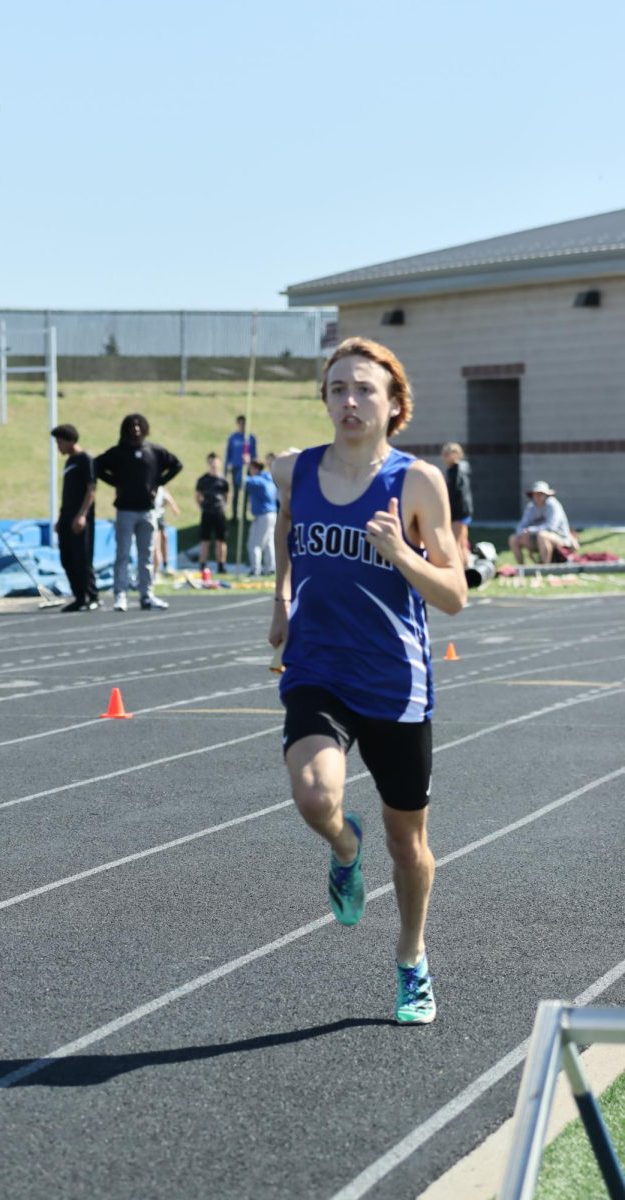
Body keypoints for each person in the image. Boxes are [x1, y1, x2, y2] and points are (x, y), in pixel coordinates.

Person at [269, 336, 466, 1025]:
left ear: (393, 404)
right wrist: (279, 603)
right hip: (317, 668)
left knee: (408, 844)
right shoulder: (293, 469)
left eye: (365, 391)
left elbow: (454, 595)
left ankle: (411, 960)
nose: (349, 401)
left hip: (395, 682)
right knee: (314, 794)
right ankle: (342, 848)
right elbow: (288, 529)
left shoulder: (416, 483)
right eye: (337, 389)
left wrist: (401, 555)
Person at [95, 413, 182, 612]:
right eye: (131, 426)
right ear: (125, 430)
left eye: (138, 425)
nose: (135, 429)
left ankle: (147, 595)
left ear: (144, 428)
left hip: (147, 510)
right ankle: (120, 595)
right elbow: (97, 466)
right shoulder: (119, 452)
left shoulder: (154, 451)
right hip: (125, 510)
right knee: (123, 554)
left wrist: (158, 483)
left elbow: (176, 465)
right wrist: (115, 482)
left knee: (147, 555)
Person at [51, 423, 100, 613]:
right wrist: (61, 518)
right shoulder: (69, 461)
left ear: (71, 441)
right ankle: (79, 597)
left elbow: (91, 489)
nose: (58, 446)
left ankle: (92, 595)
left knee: (83, 558)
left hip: (80, 519)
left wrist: (82, 515)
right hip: (66, 518)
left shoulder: (85, 459)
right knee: (67, 558)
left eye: (60, 442)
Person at [508, 481, 575, 565]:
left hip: (560, 539)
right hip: (537, 538)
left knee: (542, 535)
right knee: (513, 539)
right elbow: (522, 525)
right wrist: (522, 533)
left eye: (540, 493)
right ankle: (522, 569)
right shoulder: (531, 507)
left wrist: (530, 530)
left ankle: (544, 568)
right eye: (535, 494)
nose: (537, 496)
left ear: (546, 494)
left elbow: (551, 527)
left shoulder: (553, 505)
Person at [195, 453, 229, 575]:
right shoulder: (203, 480)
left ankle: (221, 565)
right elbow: (198, 496)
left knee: (221, 540)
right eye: (211, 462)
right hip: (207, 512)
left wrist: (224, 507)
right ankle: (203, 564)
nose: (213, 464)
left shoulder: (223, 480)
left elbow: (226, 496)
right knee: (205, 540)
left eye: (215, 462)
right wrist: (202, 507)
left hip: (219, 512)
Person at [441, 442, 473, 568]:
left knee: (456, 543)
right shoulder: (458, 469)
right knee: (462, 543)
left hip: (459, 513)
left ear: (455, 455)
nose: (444, 457)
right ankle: (466, 569)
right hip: (463, 512)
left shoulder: (456, 471)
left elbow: (457, 495)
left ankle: (460, 571)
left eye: (446, 454)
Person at [244, 459, 278, 575]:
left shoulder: (258, 481)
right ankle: (270, 567)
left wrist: (243, 465)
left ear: (255, 468)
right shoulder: (269, 479)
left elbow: (243, 481)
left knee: (254, 543)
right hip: (272, 514)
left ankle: (255, 569)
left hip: (263, 515)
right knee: (269, 542)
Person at [224, 415, 257, 521]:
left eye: (244, 423)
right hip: (236, 468)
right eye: (240, 423)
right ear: (237, 424)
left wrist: (253, 467)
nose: (242, 426)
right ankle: (234, 515)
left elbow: (254, 454)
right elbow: (228, 454)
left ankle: (244, 515)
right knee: (236, 492)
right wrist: (226, 468)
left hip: (247, 469)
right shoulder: (233, 438)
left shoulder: (251, 438)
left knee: (247, 493)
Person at [153, 486, 180, 575]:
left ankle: (165, 565)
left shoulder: (161, 488)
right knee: (156, 544)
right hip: (152, 517)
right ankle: (155, 571)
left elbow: (167, 497)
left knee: (164, 538)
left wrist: (174, 508)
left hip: (160, 516)